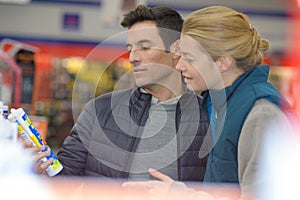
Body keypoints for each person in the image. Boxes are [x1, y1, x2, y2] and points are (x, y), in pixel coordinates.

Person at [123, 5, 292, 199]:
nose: (179, 65)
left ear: (222, 62)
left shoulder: (263, 115)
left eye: (190, 58)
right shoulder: (214, 104)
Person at [25, 5, 210, 182]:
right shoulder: (99, 111)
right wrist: (44, 168)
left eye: (145, 48)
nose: (132, 58)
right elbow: (66, 177)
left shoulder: (208, 116)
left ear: (177, 50)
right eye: (130, 49)